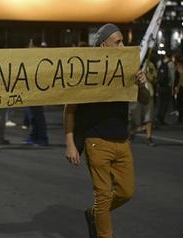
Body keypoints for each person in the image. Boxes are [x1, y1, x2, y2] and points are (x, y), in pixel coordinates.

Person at [64, 23, 149, 238]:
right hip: (96, 142)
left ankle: (94, 214)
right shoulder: (86, 71)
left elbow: (145, 100)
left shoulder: (128, 68)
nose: (123, 45)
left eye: (123, 41)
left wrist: (141, 85)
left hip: (122, 141)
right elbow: (70, 108)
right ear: (104, 45)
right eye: (118, 41)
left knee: (126, 192)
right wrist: (70, 142)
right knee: (102, 196)